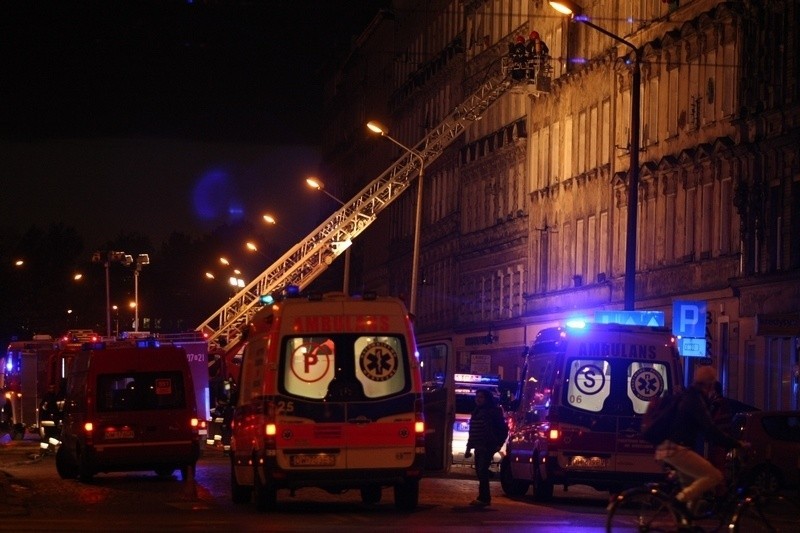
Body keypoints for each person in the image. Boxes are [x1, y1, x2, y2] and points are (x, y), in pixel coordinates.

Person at [655, 366, 743, 512]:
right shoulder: (695, 399)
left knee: (695, 489)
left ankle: (684, 524)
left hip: (670, 447)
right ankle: (678, 501)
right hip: (677, 449)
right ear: (709, 384)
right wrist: (736, 443)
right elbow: (710, 429)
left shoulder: (689, 395)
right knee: (714, 476)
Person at [464, 389, 506, 507]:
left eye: (481, 397)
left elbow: (503, 429)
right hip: (478, 445)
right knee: (480, 471)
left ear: (487, 398)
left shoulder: (493, 412)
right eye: (477, 397)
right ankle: (483, 497)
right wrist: (468, 448)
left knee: (482, 470)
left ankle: (484, 498)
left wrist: (498, 443)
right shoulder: (476, 411)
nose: (478, 399)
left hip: (487, 445)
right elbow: (473, 432)